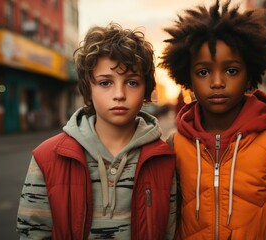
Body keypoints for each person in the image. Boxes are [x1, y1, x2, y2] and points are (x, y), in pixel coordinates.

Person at [159, 0, 266, 239]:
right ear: (188, 79)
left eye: (231, 70)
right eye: (203, 72)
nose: (217, 82)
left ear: (250, 76)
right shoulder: (174, 147)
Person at [16, 22, 176, 239]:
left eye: (131, 82)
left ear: (146, 89)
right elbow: (32, 234)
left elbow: (170, 232)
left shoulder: (163, 159)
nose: (119, 94)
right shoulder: (47, 157)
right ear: (87, 90)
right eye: (105, 83)